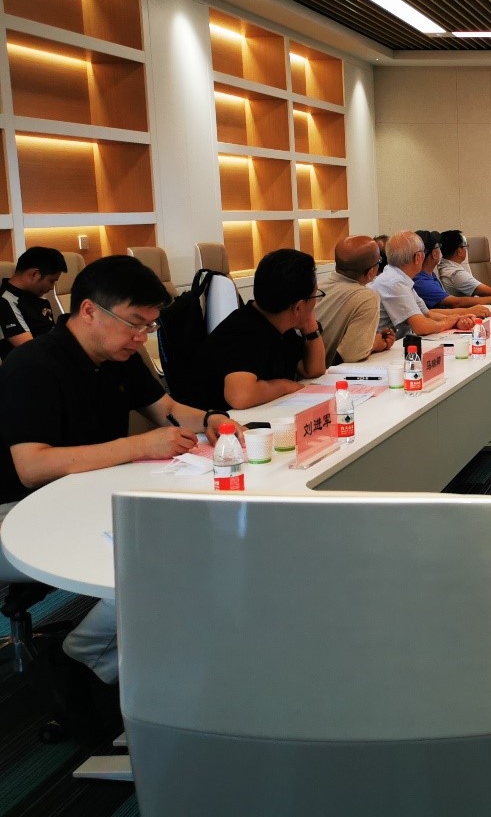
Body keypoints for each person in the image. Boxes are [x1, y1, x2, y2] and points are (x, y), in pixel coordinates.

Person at [0, 255, 241, 726]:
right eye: (135, 323)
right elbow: (32, 467)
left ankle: (117, 663)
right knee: (157, 556)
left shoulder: (117, 357)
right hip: (18, 517)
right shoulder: (33, 367)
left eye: (149, 326)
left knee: (192, 538)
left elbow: (168, 409)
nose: (141, 337)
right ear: (89, 310)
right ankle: (83, 658)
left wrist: (214, 420)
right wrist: (139, 446)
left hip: (79, 503)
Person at [187, 249, 327, 411]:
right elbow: (239, 396)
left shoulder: (278, 322)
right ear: (298, 307)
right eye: (315, 296)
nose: (315, 302)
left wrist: (309, 325)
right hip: (212, 421)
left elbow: (314, 370)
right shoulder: (245, 330)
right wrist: (285, 385)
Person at [370, 231, 475, 337]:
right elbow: (421, 327)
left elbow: (427, 314)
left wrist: (457, 319)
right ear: (418, 257)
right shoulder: (394, 282)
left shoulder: (400, 277)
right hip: (387, 346)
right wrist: (449, 322)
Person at [315, 235, 396, 368]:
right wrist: (374, 344)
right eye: (379, 261)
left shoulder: (318, 286)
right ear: (370, 272)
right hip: (327, 374)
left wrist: (368, 340)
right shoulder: (367, 297)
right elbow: (351, 355)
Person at [0, 246, 66, 359]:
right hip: (29, 366)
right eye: (51, 281)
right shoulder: (5, 301)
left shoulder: (40, 299)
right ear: (35, 274)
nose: (52, 287)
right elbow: (31, 349)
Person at [411, 230, 491, 311]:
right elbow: (455, 303)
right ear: (434, 254)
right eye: (438, 246)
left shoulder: (430, 274)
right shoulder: (422, 282)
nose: (441, 249)